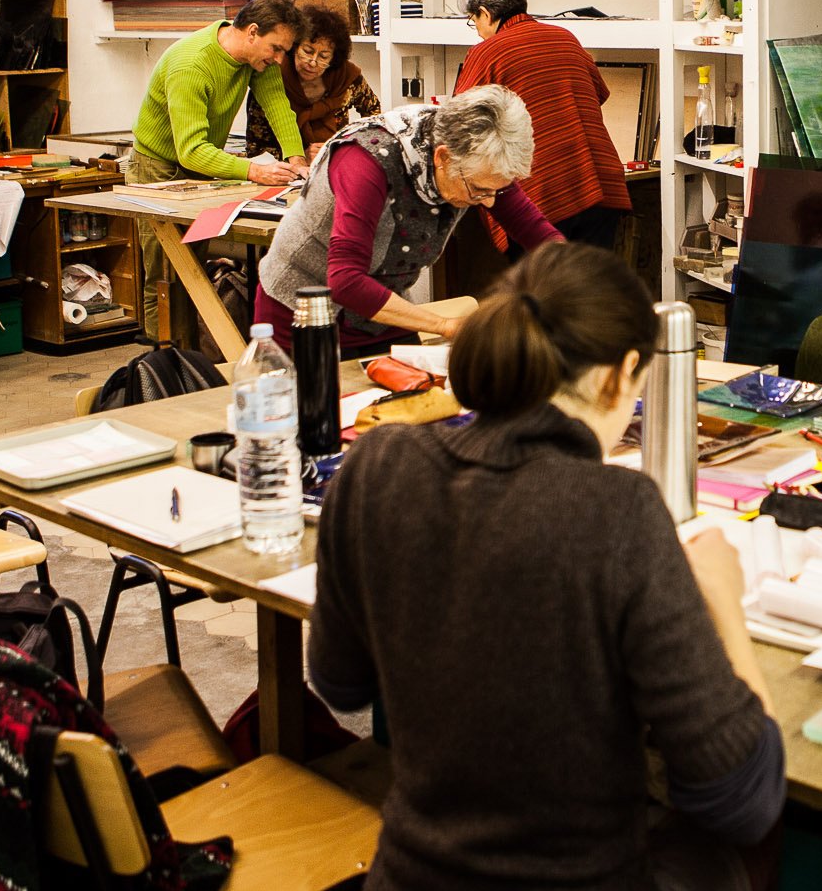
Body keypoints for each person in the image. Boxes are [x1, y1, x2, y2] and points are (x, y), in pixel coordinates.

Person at [310, 244, 784, 889]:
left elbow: (339, 684)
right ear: (621, 376)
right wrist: (722, 599)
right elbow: (741, 798)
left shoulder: (376, 464)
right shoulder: (619, 511)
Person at [253, 85, 563, 357]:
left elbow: (538, 233)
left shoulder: (477, 162)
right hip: (304, 314)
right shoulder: (367, 161)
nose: (491, 201)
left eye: (498, 190)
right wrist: (444, 325)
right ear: (442, 158)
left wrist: (576, 278)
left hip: (382, 316)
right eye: (479, 191)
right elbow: (345, 281)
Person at [130, 0, 309, 340]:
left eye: (284, 51)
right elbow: (191, 151)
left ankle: (192, 360)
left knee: (194, 271)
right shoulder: (191, 64)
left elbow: (277, 105)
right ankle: (164, 363)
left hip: (198, 166)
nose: (279, 59)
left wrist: (296, 160)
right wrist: (254, 171)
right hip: (157, 169)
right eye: (276, 48)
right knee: (165, 273)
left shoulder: (255, 60)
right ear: (252, 32)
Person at [453, 0, 630, 252]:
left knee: (542, 281)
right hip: (598, 182)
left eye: (473, 21)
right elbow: (599, 94)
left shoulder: (486, 53)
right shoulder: (565, 37)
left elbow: (458, 125)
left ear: (485, 13)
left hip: (543, 192)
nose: (478, 31)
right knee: (591, 279)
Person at [244, 3, 381, 160]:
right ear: (293, 47)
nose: (313, 63)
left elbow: (375, 117)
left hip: (339, 161)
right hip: (285, 168)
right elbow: (256, 149)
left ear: (334, 59)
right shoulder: (272, 78)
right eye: (307, 51)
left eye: (324, 56)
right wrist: (301, 156)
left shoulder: (346, 77)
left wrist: (346, 146)